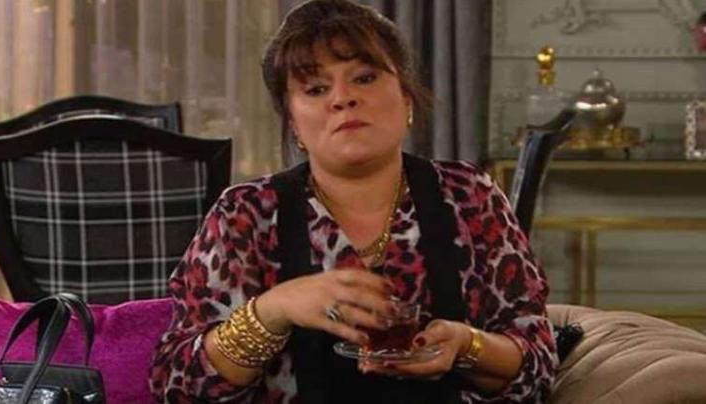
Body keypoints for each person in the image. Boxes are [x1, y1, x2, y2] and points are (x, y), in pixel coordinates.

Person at [150, 0, 557, 403]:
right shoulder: (244, 213)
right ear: (293, 124)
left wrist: (467, 345)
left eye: (364, 78)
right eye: (316, 89)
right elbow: (178, 385)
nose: (342, 98)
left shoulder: (470, 194)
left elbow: (537, 360)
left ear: (407, 98)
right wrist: (272, 311)